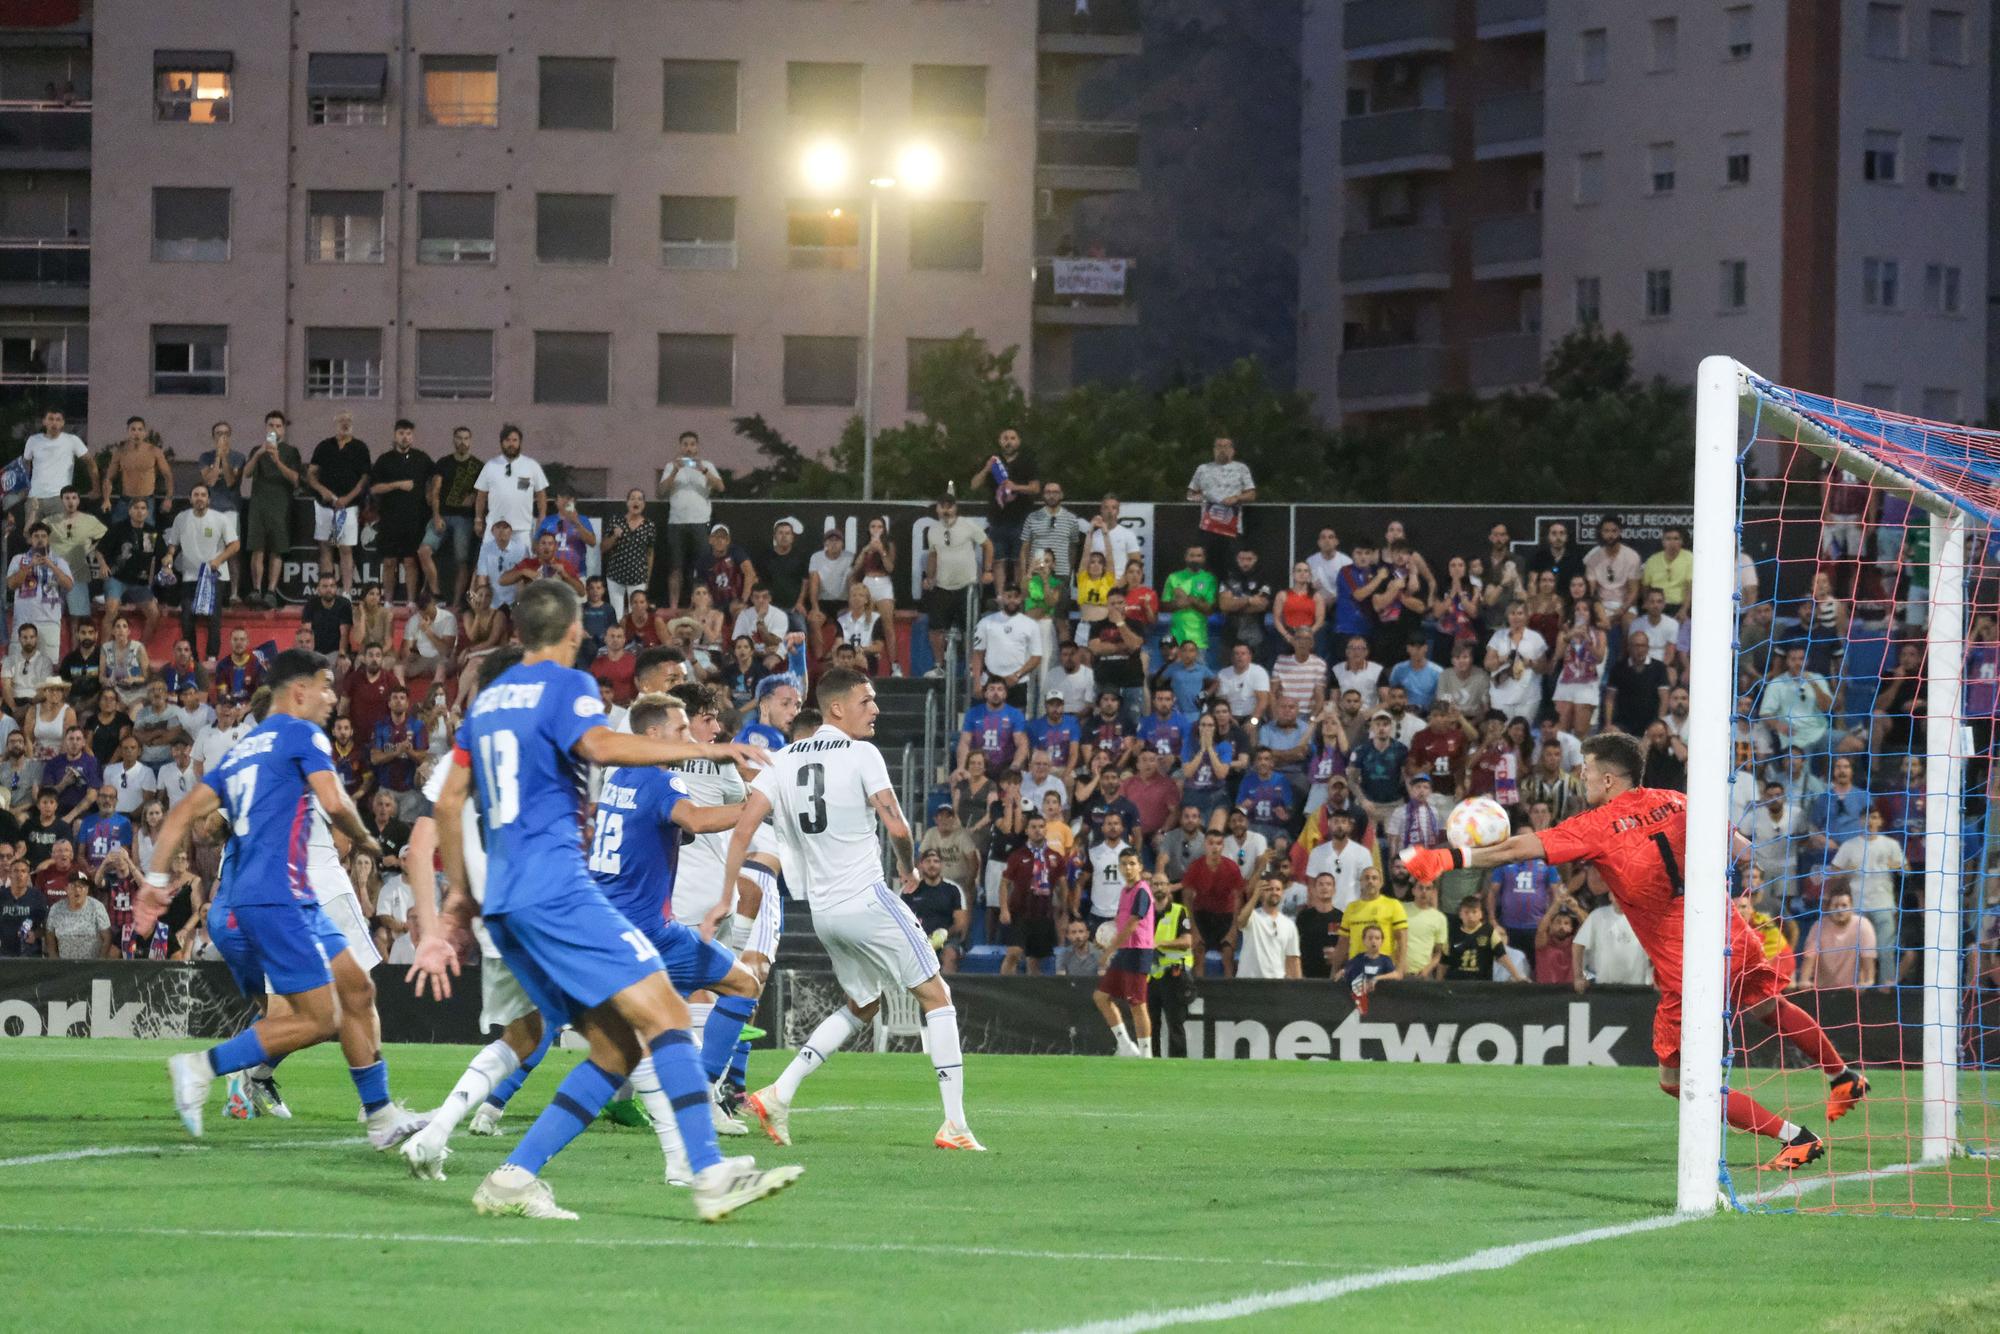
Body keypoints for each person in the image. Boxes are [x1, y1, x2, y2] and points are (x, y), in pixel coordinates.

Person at [425, 581, 798, 1219]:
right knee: (669, 1016)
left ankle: (514, 1176)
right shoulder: (567, 684)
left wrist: (457, 905)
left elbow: (450, 803)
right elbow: (599, 747)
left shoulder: (485, 705)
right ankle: (708, 1175)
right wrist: (707, 746)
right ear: (573, 632)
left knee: (617, 1045)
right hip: (560, 893)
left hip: (508, 907)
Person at [1402, 730, 1866, 1170]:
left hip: (1683, 956)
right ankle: (1843, 1075)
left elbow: (1518, 849)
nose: (1581, 778)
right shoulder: (1676, 799)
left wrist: (1448, 858)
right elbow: (1744, 851)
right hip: (1728, 930)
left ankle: (1795, 1138)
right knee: (1768, 1006)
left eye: (1585, 771)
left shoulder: (1598, 824)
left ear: (1608, 778)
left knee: (1676, 1080)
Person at [147, 650, 425, 1147]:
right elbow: (336, 803)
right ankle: (201, 1066)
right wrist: (365, 840)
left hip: (291, 897)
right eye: (324, 685)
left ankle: (381, 1116)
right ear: (298, 692)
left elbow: (182, 813)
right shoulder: (302, 733)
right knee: (321, 1018)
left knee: (358, 990)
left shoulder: (241, 748)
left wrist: (152, 881)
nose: (332, 696)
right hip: (277, 898)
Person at [727, 666, 982, 1152]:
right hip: (865, 898)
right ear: (837, 708)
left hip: (823, 912)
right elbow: (898, 825)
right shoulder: (860, 753)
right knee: (937, 996)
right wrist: (907, 871)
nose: (877, 710)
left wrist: (727, 893)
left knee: (863, 1004)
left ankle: (780, 1092)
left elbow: (744, 827)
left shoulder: (781, 761)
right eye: (867, 701)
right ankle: (955, 1125)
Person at [587, 694, 775, 1179]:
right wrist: (759, 804)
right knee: (726, 995)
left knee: (613, 1048)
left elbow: (660, 830)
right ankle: (704, 1109)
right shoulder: (659, 774)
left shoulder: (617, 773)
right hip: (647, 932)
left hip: (613, 925)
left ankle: (690, 1148)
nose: (689, 741)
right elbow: (693, 820)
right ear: (653, 737)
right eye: (680, 732)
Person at [1092, 847, 1157, 1058]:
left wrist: (1110, 949)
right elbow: (1121, 922)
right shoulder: (1125, 891)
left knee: (1137, 1003)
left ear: (1140, 866)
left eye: (1132, 864)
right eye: (1124, 864)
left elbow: (1131, 924)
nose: (1127, 868)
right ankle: (1126, 1046)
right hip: (1125, 951)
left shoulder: (1142, 890)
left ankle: (1146, 1055)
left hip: (1138, 950)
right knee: (1101, 996)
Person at [166, 485, 239, 662]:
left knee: (214, 618)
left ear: (209, 499)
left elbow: (235, 545)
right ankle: (193, 658)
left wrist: (218, 560)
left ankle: (212, 656)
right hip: (190, 577)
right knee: (186, 618)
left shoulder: (220, 519)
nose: (199, 498)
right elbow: (173, 543)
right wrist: (169, 555)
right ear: (190, 499)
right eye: (196, 494)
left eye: (203, 495)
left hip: (214, 576)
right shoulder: (181, 519)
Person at [923, 493, 993, 677]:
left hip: (967, 586)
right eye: (942, 506)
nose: (946, 510)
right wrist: (929, 577)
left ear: (955, 508)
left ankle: (972, 667)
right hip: (942, 585)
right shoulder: (933, 530)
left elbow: (988, 545)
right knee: (935, 629)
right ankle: (940, 666)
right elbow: (933, 555)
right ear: (937, 508)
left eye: (950, 506)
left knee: (970, 628)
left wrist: (987, 570)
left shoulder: (968, 525)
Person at [241, 411, 303, 608]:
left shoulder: (291, 452)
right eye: (271, 425)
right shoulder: (256, 450)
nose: (274, 429)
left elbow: (295, 479)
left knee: (277, 549)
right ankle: (256, 589)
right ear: (265, 427)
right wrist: (260, 453)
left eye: (278, 426)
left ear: (283, 429)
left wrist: (277, 461)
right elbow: (247, 473)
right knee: (257, 549)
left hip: (280, 506)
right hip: (258, 505)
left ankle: (271, 591)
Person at [368, 419, 433, 606]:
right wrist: (397, 485)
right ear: (395, 435)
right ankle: (387, 601)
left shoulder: (422, 458)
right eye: (401, 433)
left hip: (414, 519)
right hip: (389, 519)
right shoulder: (384, 460)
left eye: (408, 434)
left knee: (410, 562)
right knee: (389, 562)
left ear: (413, 437)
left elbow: (436, 477)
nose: (405, 437)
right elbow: (374, 488)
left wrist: (430, 495)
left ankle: (411, 601)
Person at [657, 430, 724, 610]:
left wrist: (702, 470)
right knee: (675, 567)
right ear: (680, 446)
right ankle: (673, 606)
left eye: (692, 444)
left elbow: (720, 486)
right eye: (685, 444)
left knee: (702, 567)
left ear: (697, 447)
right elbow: (661, 492)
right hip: (676, 523)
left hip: (700, 522)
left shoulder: (706, 465)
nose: (688, 448)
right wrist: (675, 472)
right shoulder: (671, 466)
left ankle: (701, 605)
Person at [307, 411, 370, 597]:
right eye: (342, 420)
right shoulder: (324, 446)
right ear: (335, 423)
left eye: (349, 420)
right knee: (326, 547)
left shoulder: (360, 448)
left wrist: (348, 498)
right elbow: (311, 474)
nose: (345, 423)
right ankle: (327, 589)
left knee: (345, 548)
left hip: (347, 507)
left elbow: (364, 478)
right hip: (325, 506)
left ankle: (347, 592)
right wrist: (322, 490)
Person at [968, 427, 1039, 593]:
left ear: (1018, 441)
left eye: (1012, 438)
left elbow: (1035, 488)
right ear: (1000, 441)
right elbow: (974, 485)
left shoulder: (1027, 461)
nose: (1009, 441)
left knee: (1018, 560)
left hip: (1020, 519)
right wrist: (986, 468)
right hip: (997, 519)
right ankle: (1001, 598)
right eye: (1005, 438)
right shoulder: (993, 461)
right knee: (998, 560)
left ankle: (1017, 596)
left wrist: (1016, 487)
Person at [1186, 435, 1255, 566]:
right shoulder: (1203, 469)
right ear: (1214, 450)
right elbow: (1190, 494)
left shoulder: (1241, 469)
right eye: (1219, 447)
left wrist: (1236, 498)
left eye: (1226, 447)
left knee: (1233, 564)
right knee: (1206, 564)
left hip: (1232, 527)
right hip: (1208, 527)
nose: (1222, 450)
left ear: (1232, 450)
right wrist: (1201, 497)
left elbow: (1251, 494)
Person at [21, 407, 92, 526]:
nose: (54, 423)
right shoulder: (33, 440)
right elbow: (25, 465)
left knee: (59, 539)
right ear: (44, 421)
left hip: (59, 498)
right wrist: (25, 487)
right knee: (31, 534)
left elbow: (90, 462)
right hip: (35, 497)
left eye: (58, 419)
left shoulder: (72, 440)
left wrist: (95, 487)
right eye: (51, 419)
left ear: (63, 422)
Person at [905, 846, 969, 973]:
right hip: (918, 940)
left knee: (949, 954)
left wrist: (941, 936)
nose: (932, 865)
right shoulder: (910, 890)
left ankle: (947, 992)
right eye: (928, 861)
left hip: (947, 940)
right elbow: (901, 920)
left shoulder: (953, 890)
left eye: (936, 861)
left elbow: (961, 924)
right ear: (921, 865)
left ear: (941, 865)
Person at [599, 487, 655, 617]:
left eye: (640, 499)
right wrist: (614, 536)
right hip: (616, 575)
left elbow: (650, 553)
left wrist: (648, 578)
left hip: (638, 576)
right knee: (617, 615)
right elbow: (603, 548)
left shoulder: (649, 526)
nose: (636, 501)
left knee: (636, 613)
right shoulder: (616, 521)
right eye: (632, 498)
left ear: (644, 504)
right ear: (627, 502)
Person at [1233, 874, 1299, 979]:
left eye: (1278, 889)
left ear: (1282, 893)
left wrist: (1297, 990)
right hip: (1248, 982)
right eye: (1270, 889)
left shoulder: (1289, 925)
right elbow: (1240, 922)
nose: (1274, 892)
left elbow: (1293, 959)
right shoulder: (1252, 917)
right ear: (1262, 892)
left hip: (1276, 985)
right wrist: (1255, 895)